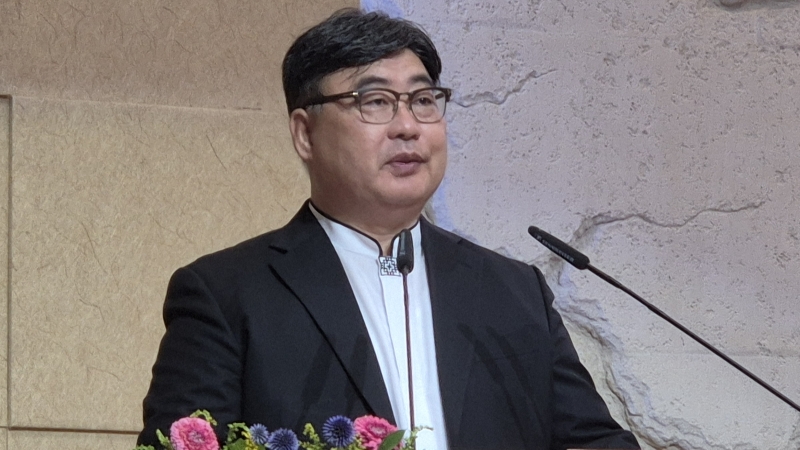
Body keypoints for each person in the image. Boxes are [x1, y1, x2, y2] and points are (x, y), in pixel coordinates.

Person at [138, 8, 640, 450]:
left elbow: (596, 440)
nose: (408, 126)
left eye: (423, 100)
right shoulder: (227, 295)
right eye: (375, 101)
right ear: (305, 133)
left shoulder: (513, 292)